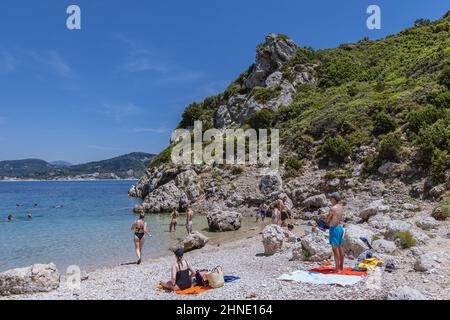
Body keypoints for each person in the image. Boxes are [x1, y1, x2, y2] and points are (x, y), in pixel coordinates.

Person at [319, 192, 345, 272]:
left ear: (334, 199)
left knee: (335, 249)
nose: (330, 200)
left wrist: (323, 218)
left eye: (330, 199)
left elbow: (327, 221)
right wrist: (326, 215)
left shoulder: (332, 208)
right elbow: (333, 214)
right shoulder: (340, 207)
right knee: (340, 247)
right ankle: (341, 267)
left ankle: (337, 269)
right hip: (340, 228)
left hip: (334, 229)